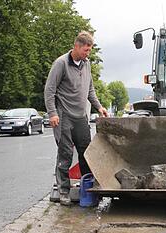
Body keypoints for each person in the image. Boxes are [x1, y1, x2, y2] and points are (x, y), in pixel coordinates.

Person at [44, 31, 108, 206]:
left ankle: (88, 189)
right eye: (86, 50)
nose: (88, 53)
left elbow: (90, 90)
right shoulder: (61, 64)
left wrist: (99, 107)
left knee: (86, 153)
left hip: (81, 117)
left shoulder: (86, 64)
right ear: (77, 46)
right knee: (65, 154)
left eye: (90, 50)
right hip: (64, 116)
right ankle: (64, 190)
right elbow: (49, 90)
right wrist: (52, 113)